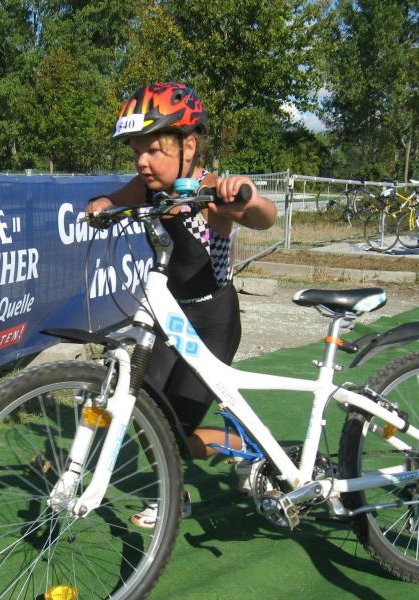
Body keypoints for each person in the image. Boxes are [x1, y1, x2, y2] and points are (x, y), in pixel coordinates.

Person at [85, 82, 277, 526]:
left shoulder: (212, 193)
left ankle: (247, 447)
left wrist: (246, 195)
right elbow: (114, 200)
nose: (142, 161)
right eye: (136, 151)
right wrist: (101, 205)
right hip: (168, 315)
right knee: (144, 411)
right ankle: (175, 490)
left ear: (188, 145)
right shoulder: (147, 186)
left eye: (153, 150)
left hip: (211, 320)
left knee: (179, 431)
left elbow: (263, 217)